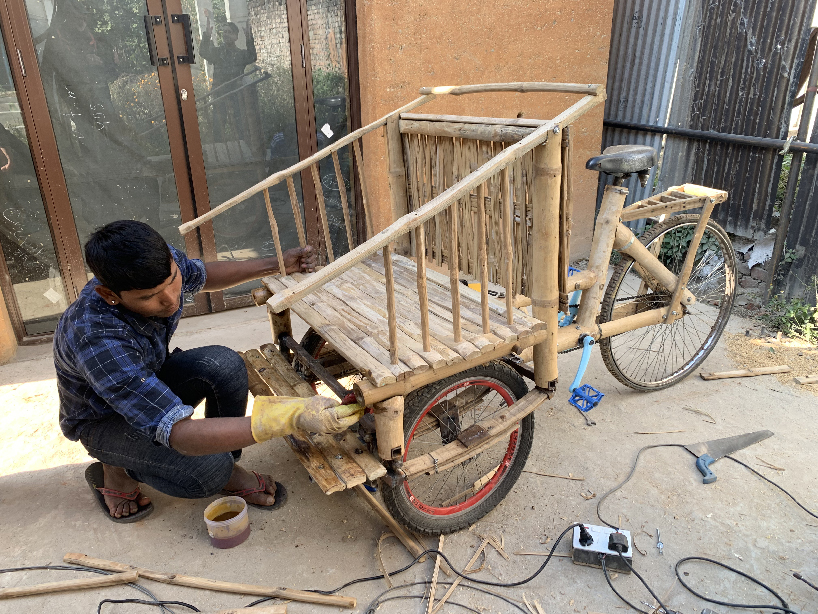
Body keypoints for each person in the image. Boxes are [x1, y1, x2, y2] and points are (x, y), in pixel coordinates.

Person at [54, 220, 361, 522]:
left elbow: (200, 274)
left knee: (224, 364)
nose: (171, 299)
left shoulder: (159, 262)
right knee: (208, 471)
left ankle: (225, 464)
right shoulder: (97, 338)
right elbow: (180, 434)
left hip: (146, 381)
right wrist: (287, 418)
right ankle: (118, 468)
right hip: (103, 420)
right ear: (110, 295)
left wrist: (278, 264)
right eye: (149, 297)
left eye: (172, 281)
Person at [199, 15, 257, 142]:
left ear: (236, 37)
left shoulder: (240, 54)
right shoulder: (217, 52)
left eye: (229, 32)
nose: (226, 34)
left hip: (236, 94)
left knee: (240, 125)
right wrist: (207, 36)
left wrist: (249, 39)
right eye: (224, 32)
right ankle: (220, 149)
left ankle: (242, 147)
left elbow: (252, 56)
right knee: (218, 125)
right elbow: (203, 52)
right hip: (219, 94)